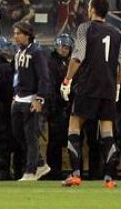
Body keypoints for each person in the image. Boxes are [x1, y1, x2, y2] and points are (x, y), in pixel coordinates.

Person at [60, 0, 121, 188]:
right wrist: (117, 85)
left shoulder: (85, 28)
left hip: (88, 86)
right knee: (107, 131)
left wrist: (67, 79)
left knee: (74, 126)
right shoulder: (117, 33)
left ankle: (75, 174)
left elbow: (78, 56)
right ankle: (110, 178)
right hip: (107, 88)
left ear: (91, 10)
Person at [11, 21, 51, 182]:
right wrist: (14, 94)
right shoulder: (18, 52)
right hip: (18, 97)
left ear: (27, 35)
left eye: (18, 33)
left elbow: (44, 77)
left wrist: (40, 98)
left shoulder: (37, 52)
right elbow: (17, 75)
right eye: (14, 33)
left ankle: (31, 170)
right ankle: (40, 163)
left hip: (31, 99)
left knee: (30, 136)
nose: (15, 36)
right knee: (18, 134)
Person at [46, 33, 73, 180]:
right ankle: (54, 171)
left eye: (67, 47)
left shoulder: (68, 63)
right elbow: (50, 85)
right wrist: (54, 105)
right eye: (62, 47)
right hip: (56, 107)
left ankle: (71, 170)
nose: (64, 50)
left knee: (68, 140)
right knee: (55, 141)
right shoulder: (51, 62)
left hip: (66, 107)